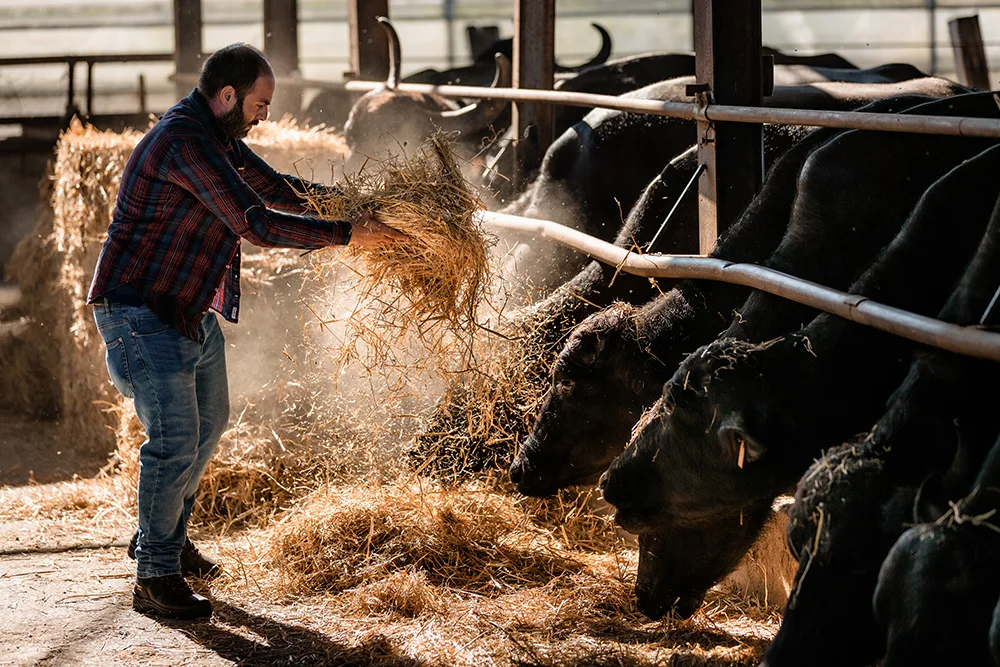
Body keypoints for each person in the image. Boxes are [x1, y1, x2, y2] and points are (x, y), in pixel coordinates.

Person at [87, 43, 403, 620]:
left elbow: (276, 187)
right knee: (175, 440)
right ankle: (155, 575)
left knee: (209, 425)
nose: (265, 116)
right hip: (140, 312)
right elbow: (255, 223)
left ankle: (164, 539)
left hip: (185, 310)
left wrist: (363, 204)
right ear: (228, 95)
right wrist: (347, 235)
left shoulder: (222, 141)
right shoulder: (185, 143)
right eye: (260, 104)